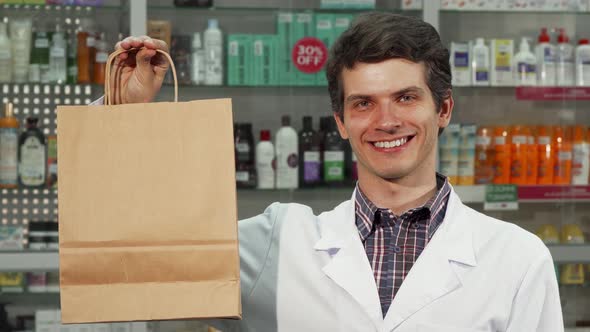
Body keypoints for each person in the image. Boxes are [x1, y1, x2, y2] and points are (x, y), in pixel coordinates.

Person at [102, 12, 563, 332]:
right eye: (363, 103)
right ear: (340, 122)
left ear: (443, 109)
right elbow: (129, 247)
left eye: (406, 97)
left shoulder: (518, 259)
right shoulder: (276, 246)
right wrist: (123, 115)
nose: (386, 121)